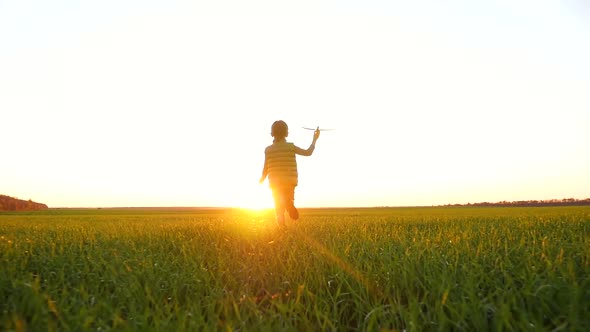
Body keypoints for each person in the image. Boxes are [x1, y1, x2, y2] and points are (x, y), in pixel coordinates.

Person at [259, 120, 320, 226]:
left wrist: (262, 179)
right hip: (289, 181)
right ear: (286, 133)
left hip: (275, 182)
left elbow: (265, 168)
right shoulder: (291, 147)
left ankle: (282, 229)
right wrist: (315, 139)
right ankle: (289, 203)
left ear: (272, 133)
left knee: (279, 208)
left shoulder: (268, 149)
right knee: (288, 199)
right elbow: (308, 152)